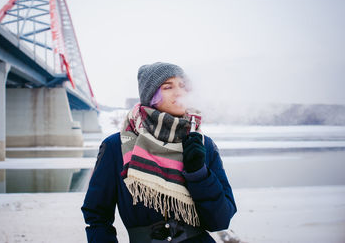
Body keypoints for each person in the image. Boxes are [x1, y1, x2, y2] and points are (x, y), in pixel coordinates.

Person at [81, 62, 236, 242]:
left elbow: (220, 221)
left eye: (183, 86)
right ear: (151, 95)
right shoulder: (117, 146)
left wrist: (199, 174)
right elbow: (97, 216)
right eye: (167, 87)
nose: (179, 92)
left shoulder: (202, 144)